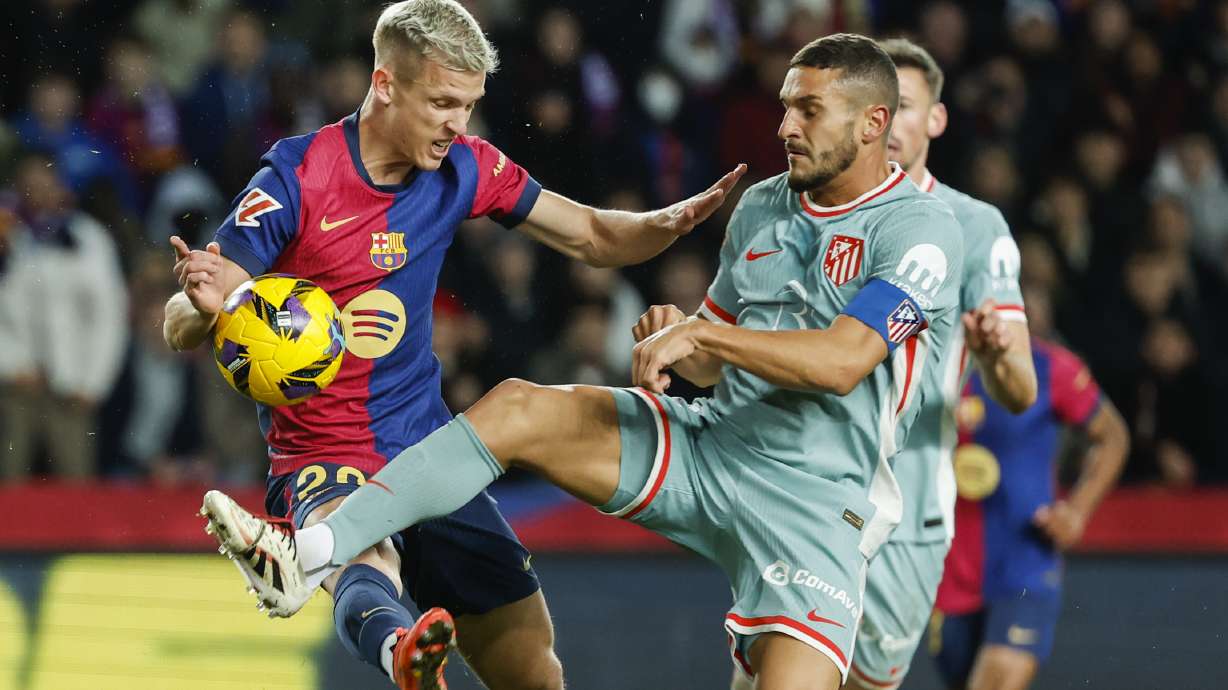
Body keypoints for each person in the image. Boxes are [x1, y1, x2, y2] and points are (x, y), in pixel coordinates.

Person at [201, 33, 965, 690]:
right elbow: (714, 364)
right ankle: (307, 551)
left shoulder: (923, 230)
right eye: (785, 105)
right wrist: (681, 339)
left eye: (808, 111)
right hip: (711, 450)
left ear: (873, 124)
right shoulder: (764, 206)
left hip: (816, 505)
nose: (784, 126)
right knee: (518, 407)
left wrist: (704, 338)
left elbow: (841, 360)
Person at [164, 1, 745, 688]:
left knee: (533, 667)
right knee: (362, 556)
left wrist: (670, 221)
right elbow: (181, 319)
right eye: (442, 102)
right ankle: (398, 654)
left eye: (468, 105)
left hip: (432, 451)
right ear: (385, 85)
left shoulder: (464, 167)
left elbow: (590, 234)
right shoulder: (297, 176)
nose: (457, 125)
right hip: (324, 453)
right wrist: (213, 305)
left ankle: (402, 646)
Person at [843, 39, 1039, 690]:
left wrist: (995, 354)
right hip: (808, 492)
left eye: (903, 107)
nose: (887, 123)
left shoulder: (976, 226)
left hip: (910, 505)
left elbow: (1020, 390)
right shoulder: (813, 211)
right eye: (873, 107)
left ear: (935, 119)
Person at [930, 287, 1129, 690]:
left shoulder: (1050, 368)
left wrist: (1076, 511)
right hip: (944, 569)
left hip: (1025, 562)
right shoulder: (932, 368)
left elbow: (1113, 435)